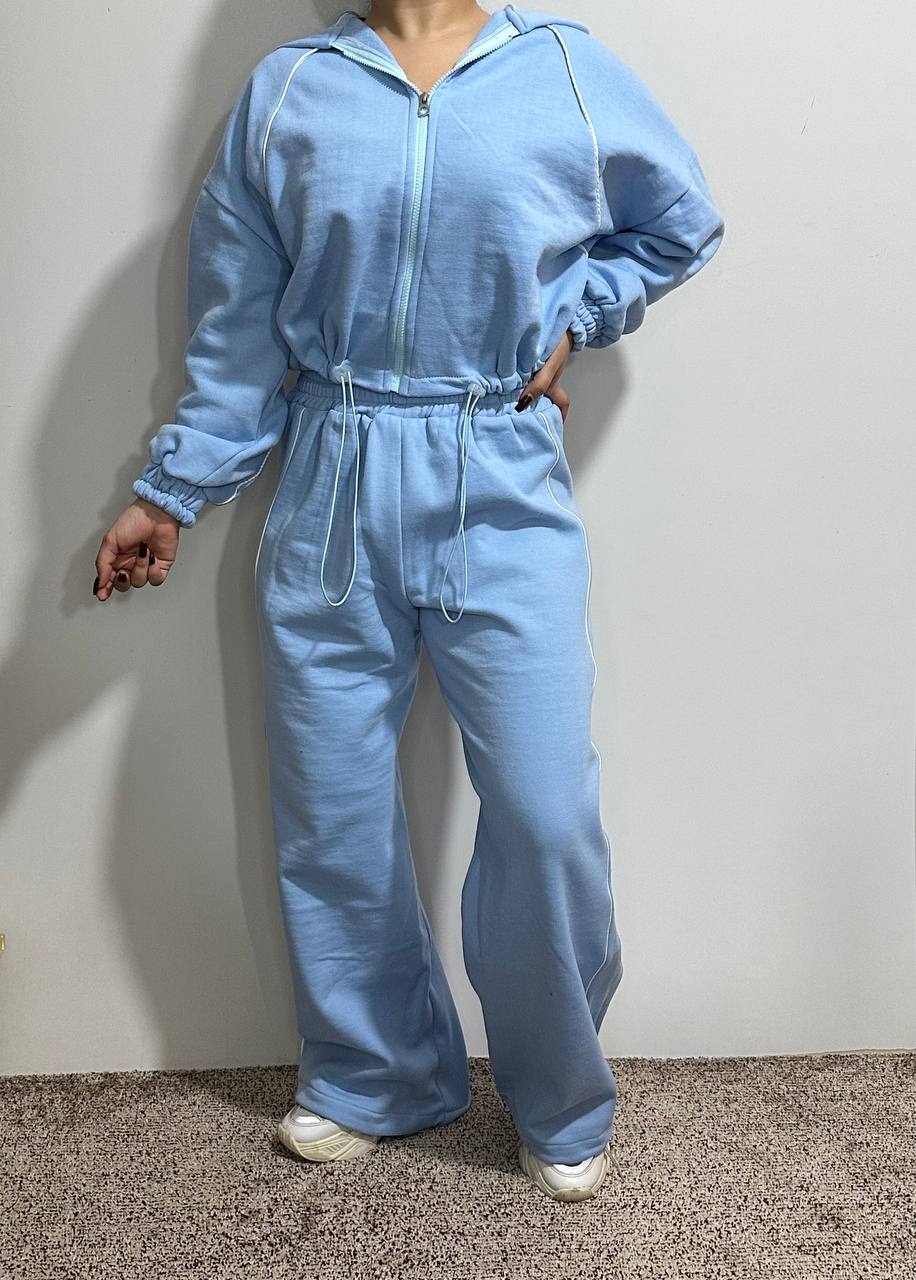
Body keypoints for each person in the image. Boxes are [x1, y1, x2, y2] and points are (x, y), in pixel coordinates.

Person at [93, 1, 724, 1202]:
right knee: (332, 810)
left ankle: (559, 1093)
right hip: (331, 471)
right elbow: (237, 326)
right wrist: (171, 492)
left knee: (543, 808)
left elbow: (679, 221)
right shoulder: (291, 90)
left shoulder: (563, 70)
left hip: (499, 468)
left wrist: (580, 313)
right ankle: (374, 1073)